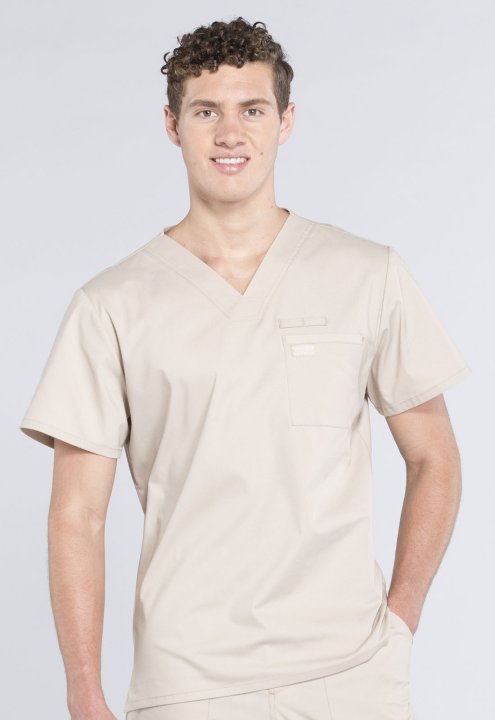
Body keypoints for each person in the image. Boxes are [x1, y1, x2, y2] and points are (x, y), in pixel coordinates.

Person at [19, 16, 472, 720]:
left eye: (252, 110)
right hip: (187, 681)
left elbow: (434, 458)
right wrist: (84, 689)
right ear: (172, 126)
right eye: (206, 112)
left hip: (350, 674)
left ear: (285, 122)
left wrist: (400, 620)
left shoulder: (366, 274)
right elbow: (77, 514)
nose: (230, 133)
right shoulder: (112, 304)